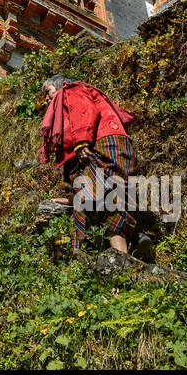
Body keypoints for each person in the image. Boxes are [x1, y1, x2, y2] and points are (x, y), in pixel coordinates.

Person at [40, 74, 137, 254]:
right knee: (115, 194)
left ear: (61, 86)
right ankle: (135, 241)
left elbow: (84, 110)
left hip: (103, 142)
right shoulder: (81, 92)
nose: (46, 99)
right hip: (116, 143)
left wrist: (82, 142)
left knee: (110, 196)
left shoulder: (71, 90)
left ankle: (103, 256)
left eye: (48, 92)